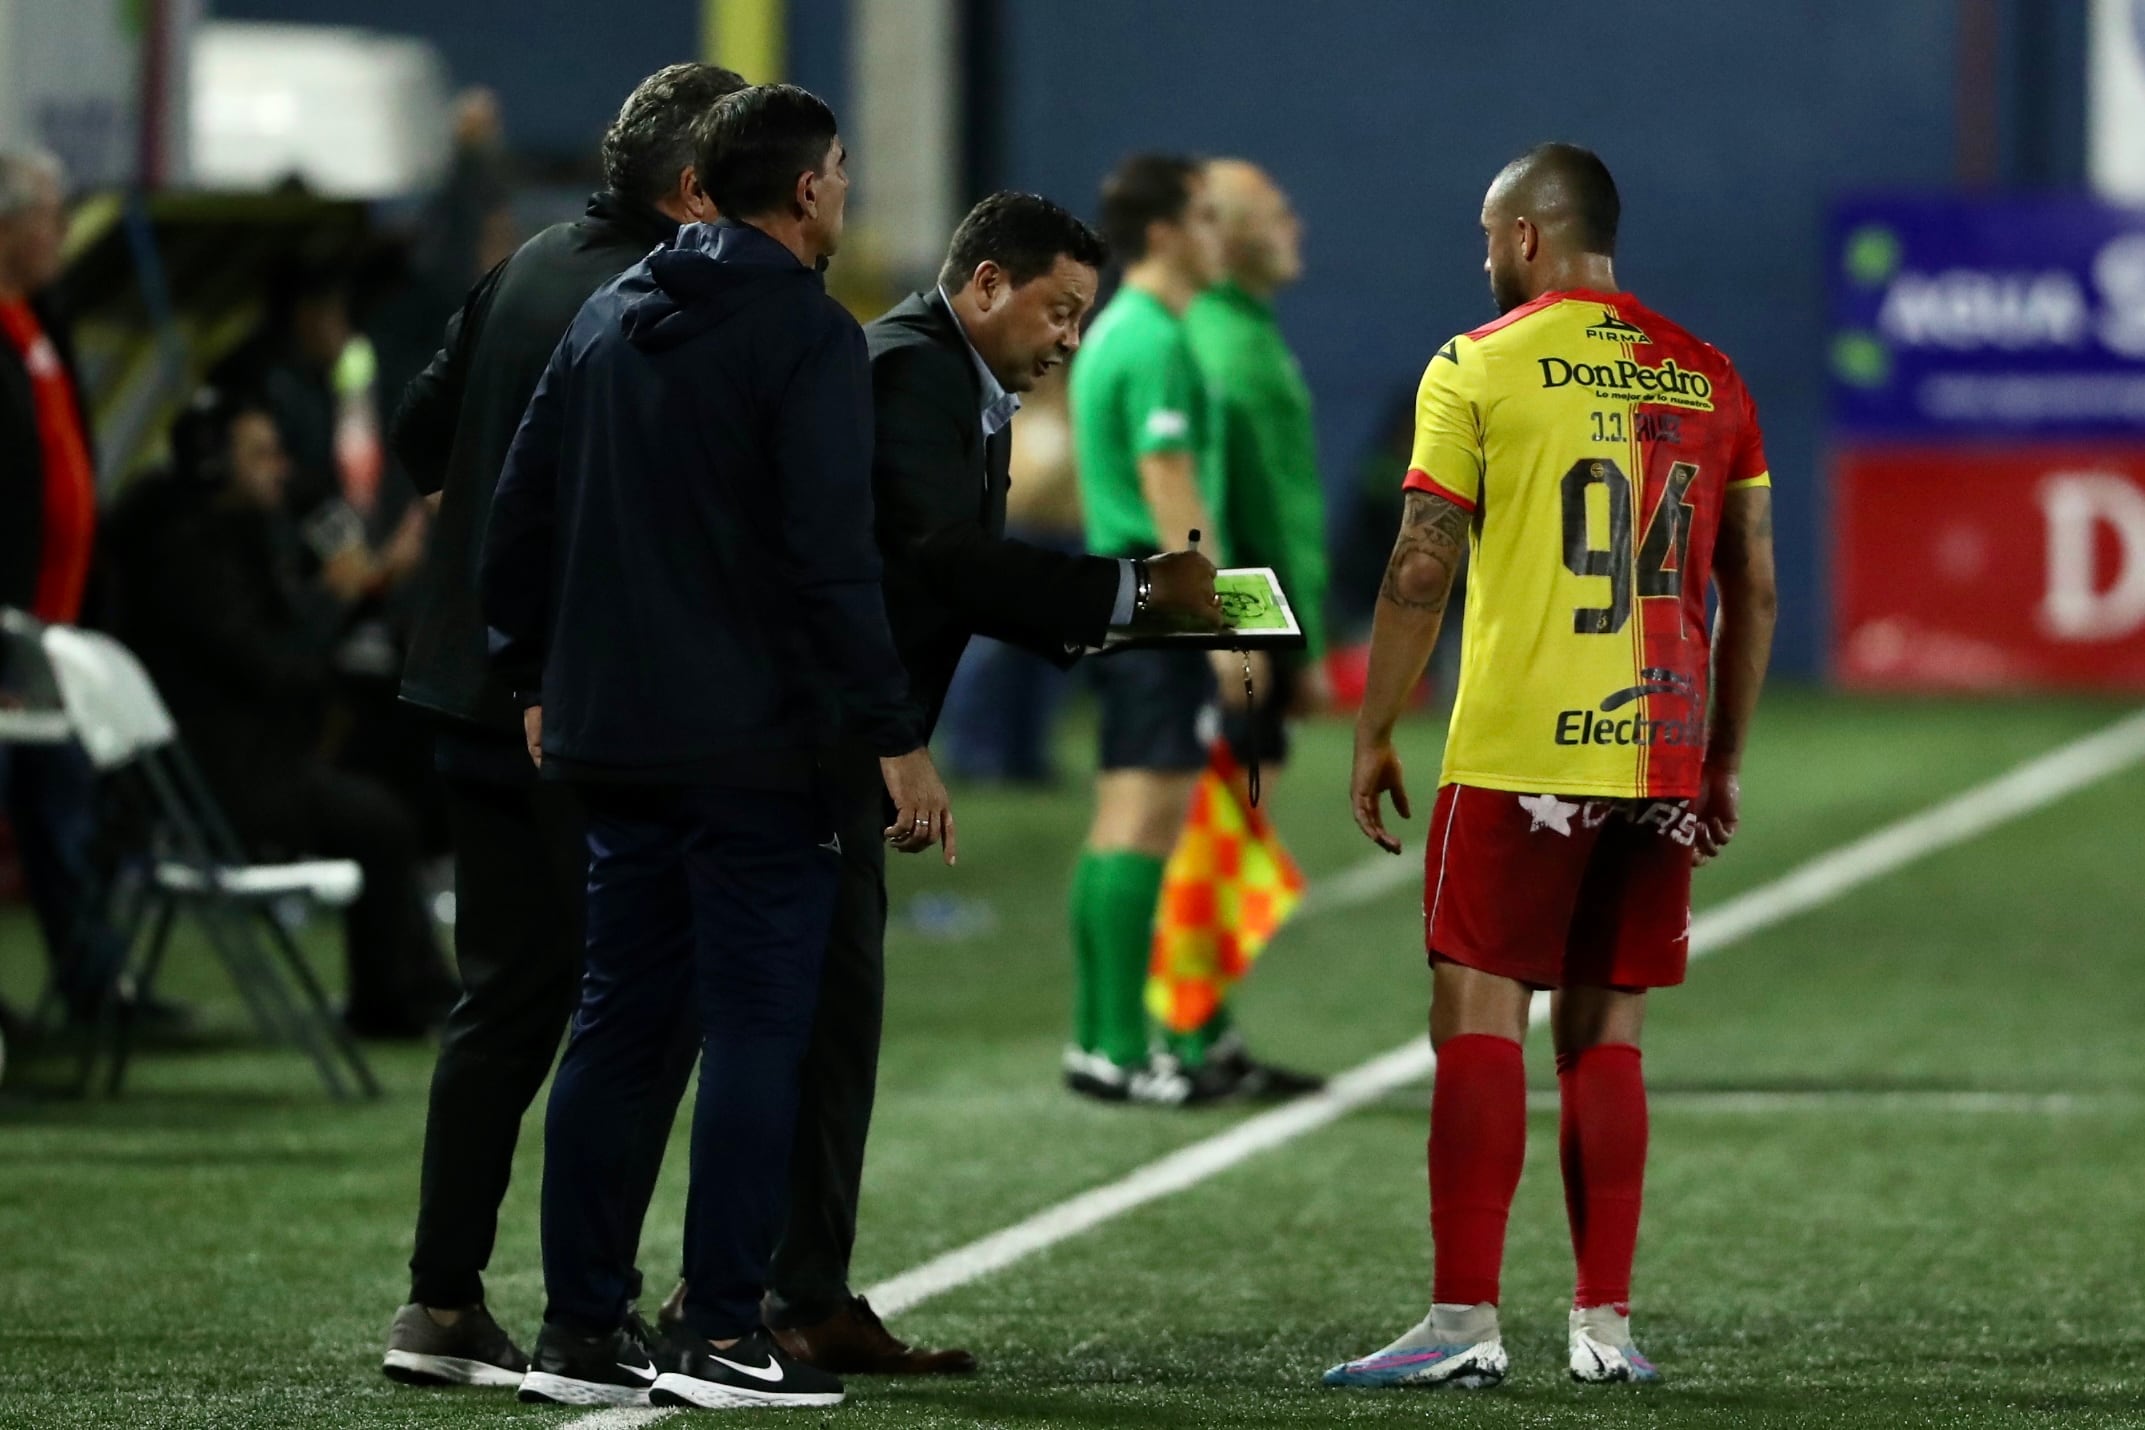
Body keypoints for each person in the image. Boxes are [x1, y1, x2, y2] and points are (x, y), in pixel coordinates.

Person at [480, 83, 950, 1413]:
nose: (847, 191)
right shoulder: (806, 335)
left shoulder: (607, 314)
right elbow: (828, 562)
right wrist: (892, 736)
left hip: (612, 738)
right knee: (756, 1027)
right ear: (805, 190)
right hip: (755, 747)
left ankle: (579, 1330)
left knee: (618, 1025)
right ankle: (723, 1330)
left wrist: (529, 669)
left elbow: (518, 513)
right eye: (843, 172)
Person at [1326, 143, 1777, 1390]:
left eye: (1489, 235)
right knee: (1607, 1029)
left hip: (1524, 742)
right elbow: (1756, 583)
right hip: (1665, 745)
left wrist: (1375, 727)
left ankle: (1465, 1320)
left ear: (1525, 234)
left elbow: (1423, 562)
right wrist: (1722, 757)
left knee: (1478, 1011)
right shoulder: (1710, 372)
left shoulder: (1475, 365)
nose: (1483, 257)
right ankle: (1606, 1325)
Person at [746, 190, 1221, 1374]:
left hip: (839, 735)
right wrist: (1129, 595)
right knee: (795, 1026)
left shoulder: (956, 377)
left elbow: (944, 576)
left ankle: (803, 1287)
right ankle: (756, 1297)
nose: (1071, 335)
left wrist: (1120, 610)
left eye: (1083, 314)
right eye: (1059, 309)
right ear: (987, 283)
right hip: (800, 742)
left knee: (825, 1026)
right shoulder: (912, 370)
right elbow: (936, 558)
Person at [377, 61, 747, 1388]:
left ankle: (439, 1300)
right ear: (696, 184)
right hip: (590, 706)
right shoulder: (671, 297)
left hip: (464, 686)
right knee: (638, 1004)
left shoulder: (526, 262)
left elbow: (423, 433)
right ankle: (590, 1312)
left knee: (505, 1001)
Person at [103, 390, 458, 1037]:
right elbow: (275, 666)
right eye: (260, 454)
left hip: (249, 761)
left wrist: (364, 588)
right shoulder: (188, 556)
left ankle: (416, 989)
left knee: (388, 788)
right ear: (213, 464)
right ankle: (395, 1003)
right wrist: (338, 593)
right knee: (379, 821)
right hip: (221, 784)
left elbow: (290, 649)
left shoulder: (229, 537)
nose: (280, 468)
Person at [1063, 153, 1283, 1106]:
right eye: (1201, 218)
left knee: (1127, 818)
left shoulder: (1124, 331)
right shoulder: (1154, 338)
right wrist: (1235, 624)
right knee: (1142, 822)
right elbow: (1170, 488)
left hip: (1126, 597)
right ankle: (1116, 1047)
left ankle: (1116, 1039)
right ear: (1163, 234)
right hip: (1159, 603)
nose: (1216, 235)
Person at [1170, 158, 1333, 1090]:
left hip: (1270, 617)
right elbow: (1214, 516)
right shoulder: (1222, 348)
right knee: (1213, 833)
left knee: (1230, 836)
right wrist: (1240, 641)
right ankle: (1182, 1038)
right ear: (1226, 233)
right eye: (1275, 214)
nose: (1294, 226)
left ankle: (1205, 1030)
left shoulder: (1248, 338)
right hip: (1241, 622)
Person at [0, 146, 134, 1024]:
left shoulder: (35, 325)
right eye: (51, 216)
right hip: (14, 628)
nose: (62, 234)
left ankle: (95, 982)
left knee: (64, 810)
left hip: (50, 627)